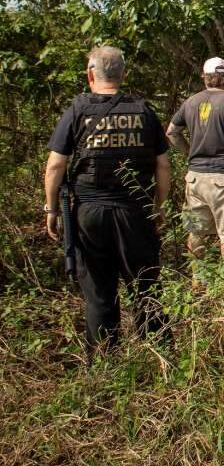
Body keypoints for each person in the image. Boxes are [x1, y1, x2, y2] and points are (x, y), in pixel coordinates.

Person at [44, 46, 171, 353]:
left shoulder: (78, 110)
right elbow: (164, 165)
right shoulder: (143, 111)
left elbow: (55, 165)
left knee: (99, 293)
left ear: (90, 75)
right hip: (135, 214)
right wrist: (158, 207)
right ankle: (161, 359)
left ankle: (104, 364)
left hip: (90, 214)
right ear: (123, 74)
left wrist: (50, 208)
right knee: (146, 288)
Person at [166, 57, 224, 272]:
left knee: (196, 232)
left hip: (195, 178)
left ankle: (197, 284)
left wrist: (189, 153)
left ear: (205, 76)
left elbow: (172, 132)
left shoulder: (191, 101)